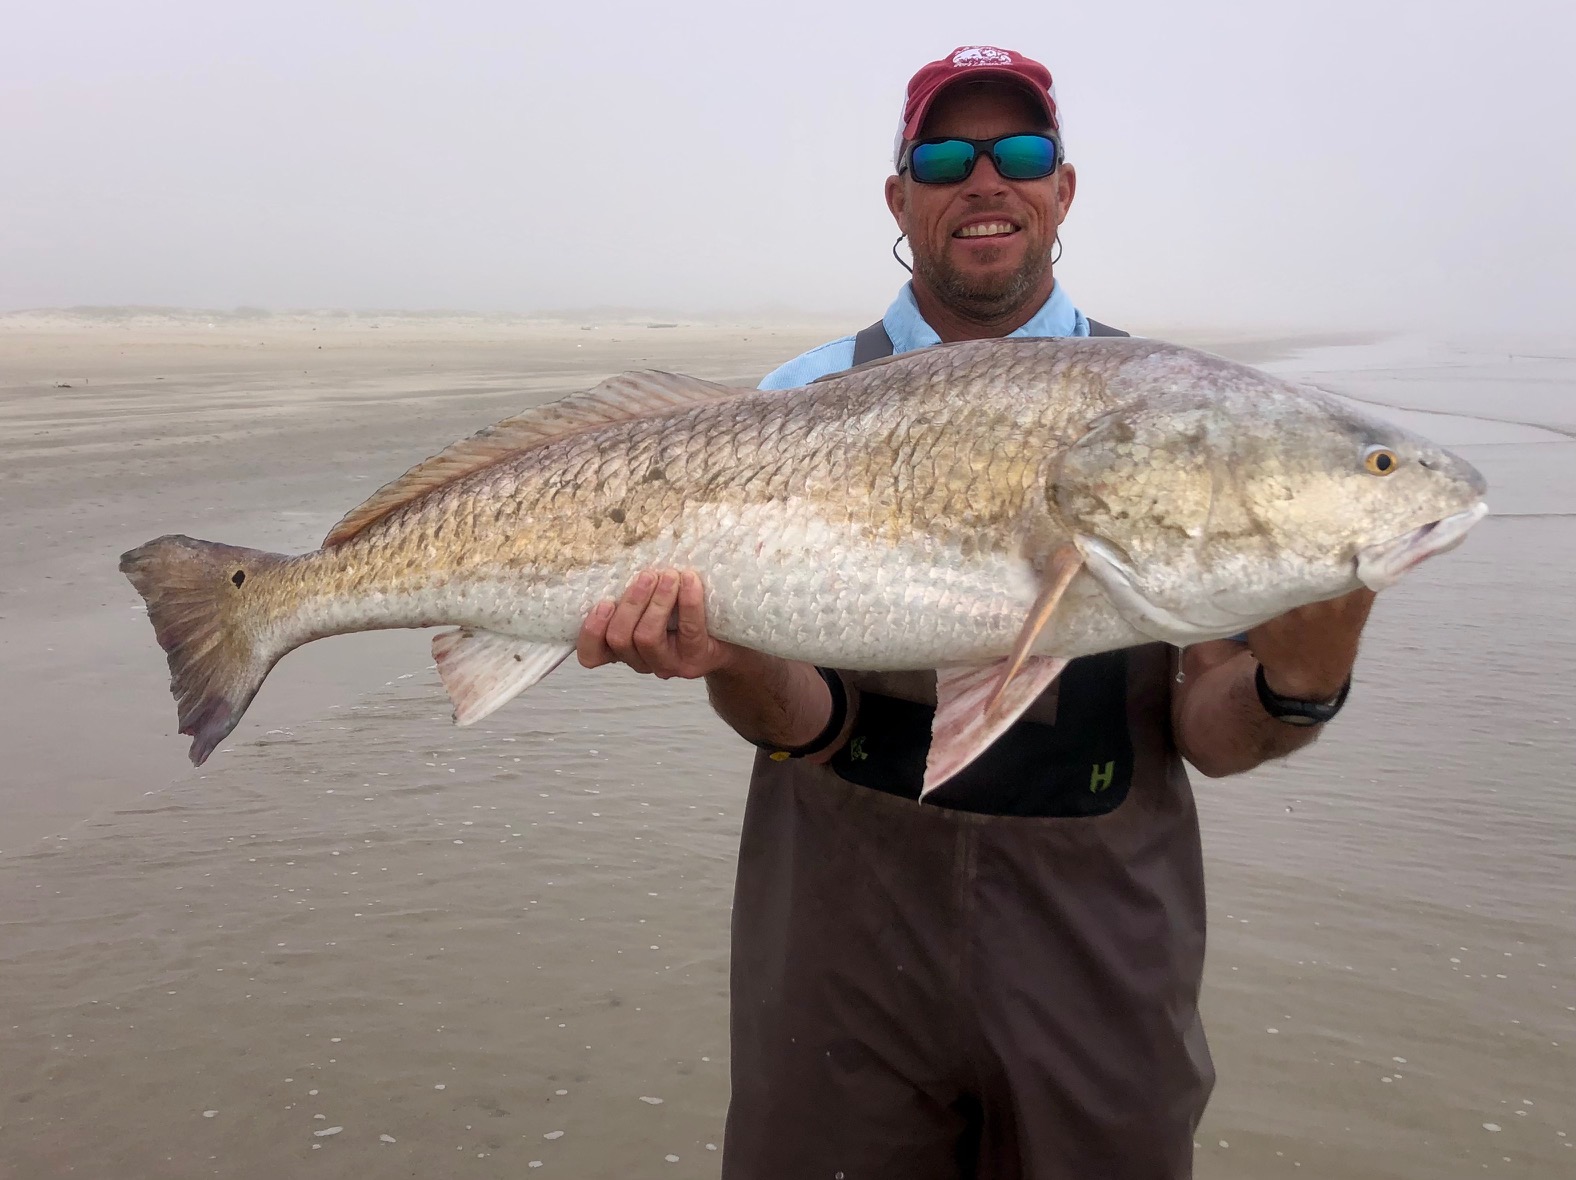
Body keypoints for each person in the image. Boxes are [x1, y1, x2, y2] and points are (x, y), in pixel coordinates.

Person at [576, 44, 1374, 1180]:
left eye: (1023, 152)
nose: (985, 179)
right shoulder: (787, 404)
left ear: (1062, 188)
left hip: (1100, 947)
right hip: (839, 943)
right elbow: (796, 717)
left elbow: (1211, 726)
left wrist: (1305, 679)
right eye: (945, 156)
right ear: (900, 197)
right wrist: (719, 657)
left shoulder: (1171, 413)